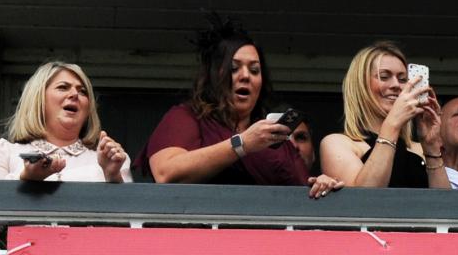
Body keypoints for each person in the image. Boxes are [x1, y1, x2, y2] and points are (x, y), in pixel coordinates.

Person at [142, 13, 340, 197]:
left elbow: (300, 190)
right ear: (214, 75)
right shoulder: (186, 117)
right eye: (234, 68)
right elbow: (165, 173)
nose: (245, 76)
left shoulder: (271, 138)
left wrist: (321, 184)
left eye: (254, 70)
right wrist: (242, 144)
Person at [0, 62, 131, 183]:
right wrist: (25, 179)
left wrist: (112, 177)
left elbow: (132, 216)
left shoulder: (109, 160)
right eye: (63, 87)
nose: (74, 94)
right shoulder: (4, 152)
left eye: (82, 91)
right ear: (38, 99)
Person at [319, 42, 443, 189]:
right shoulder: (338, 143)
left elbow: (446, 206)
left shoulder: (418, 149)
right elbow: (364, 201)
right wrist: (393, 124)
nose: (396, 85)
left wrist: (431, 147)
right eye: (384, 77)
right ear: (361, 85)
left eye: (403, 79)